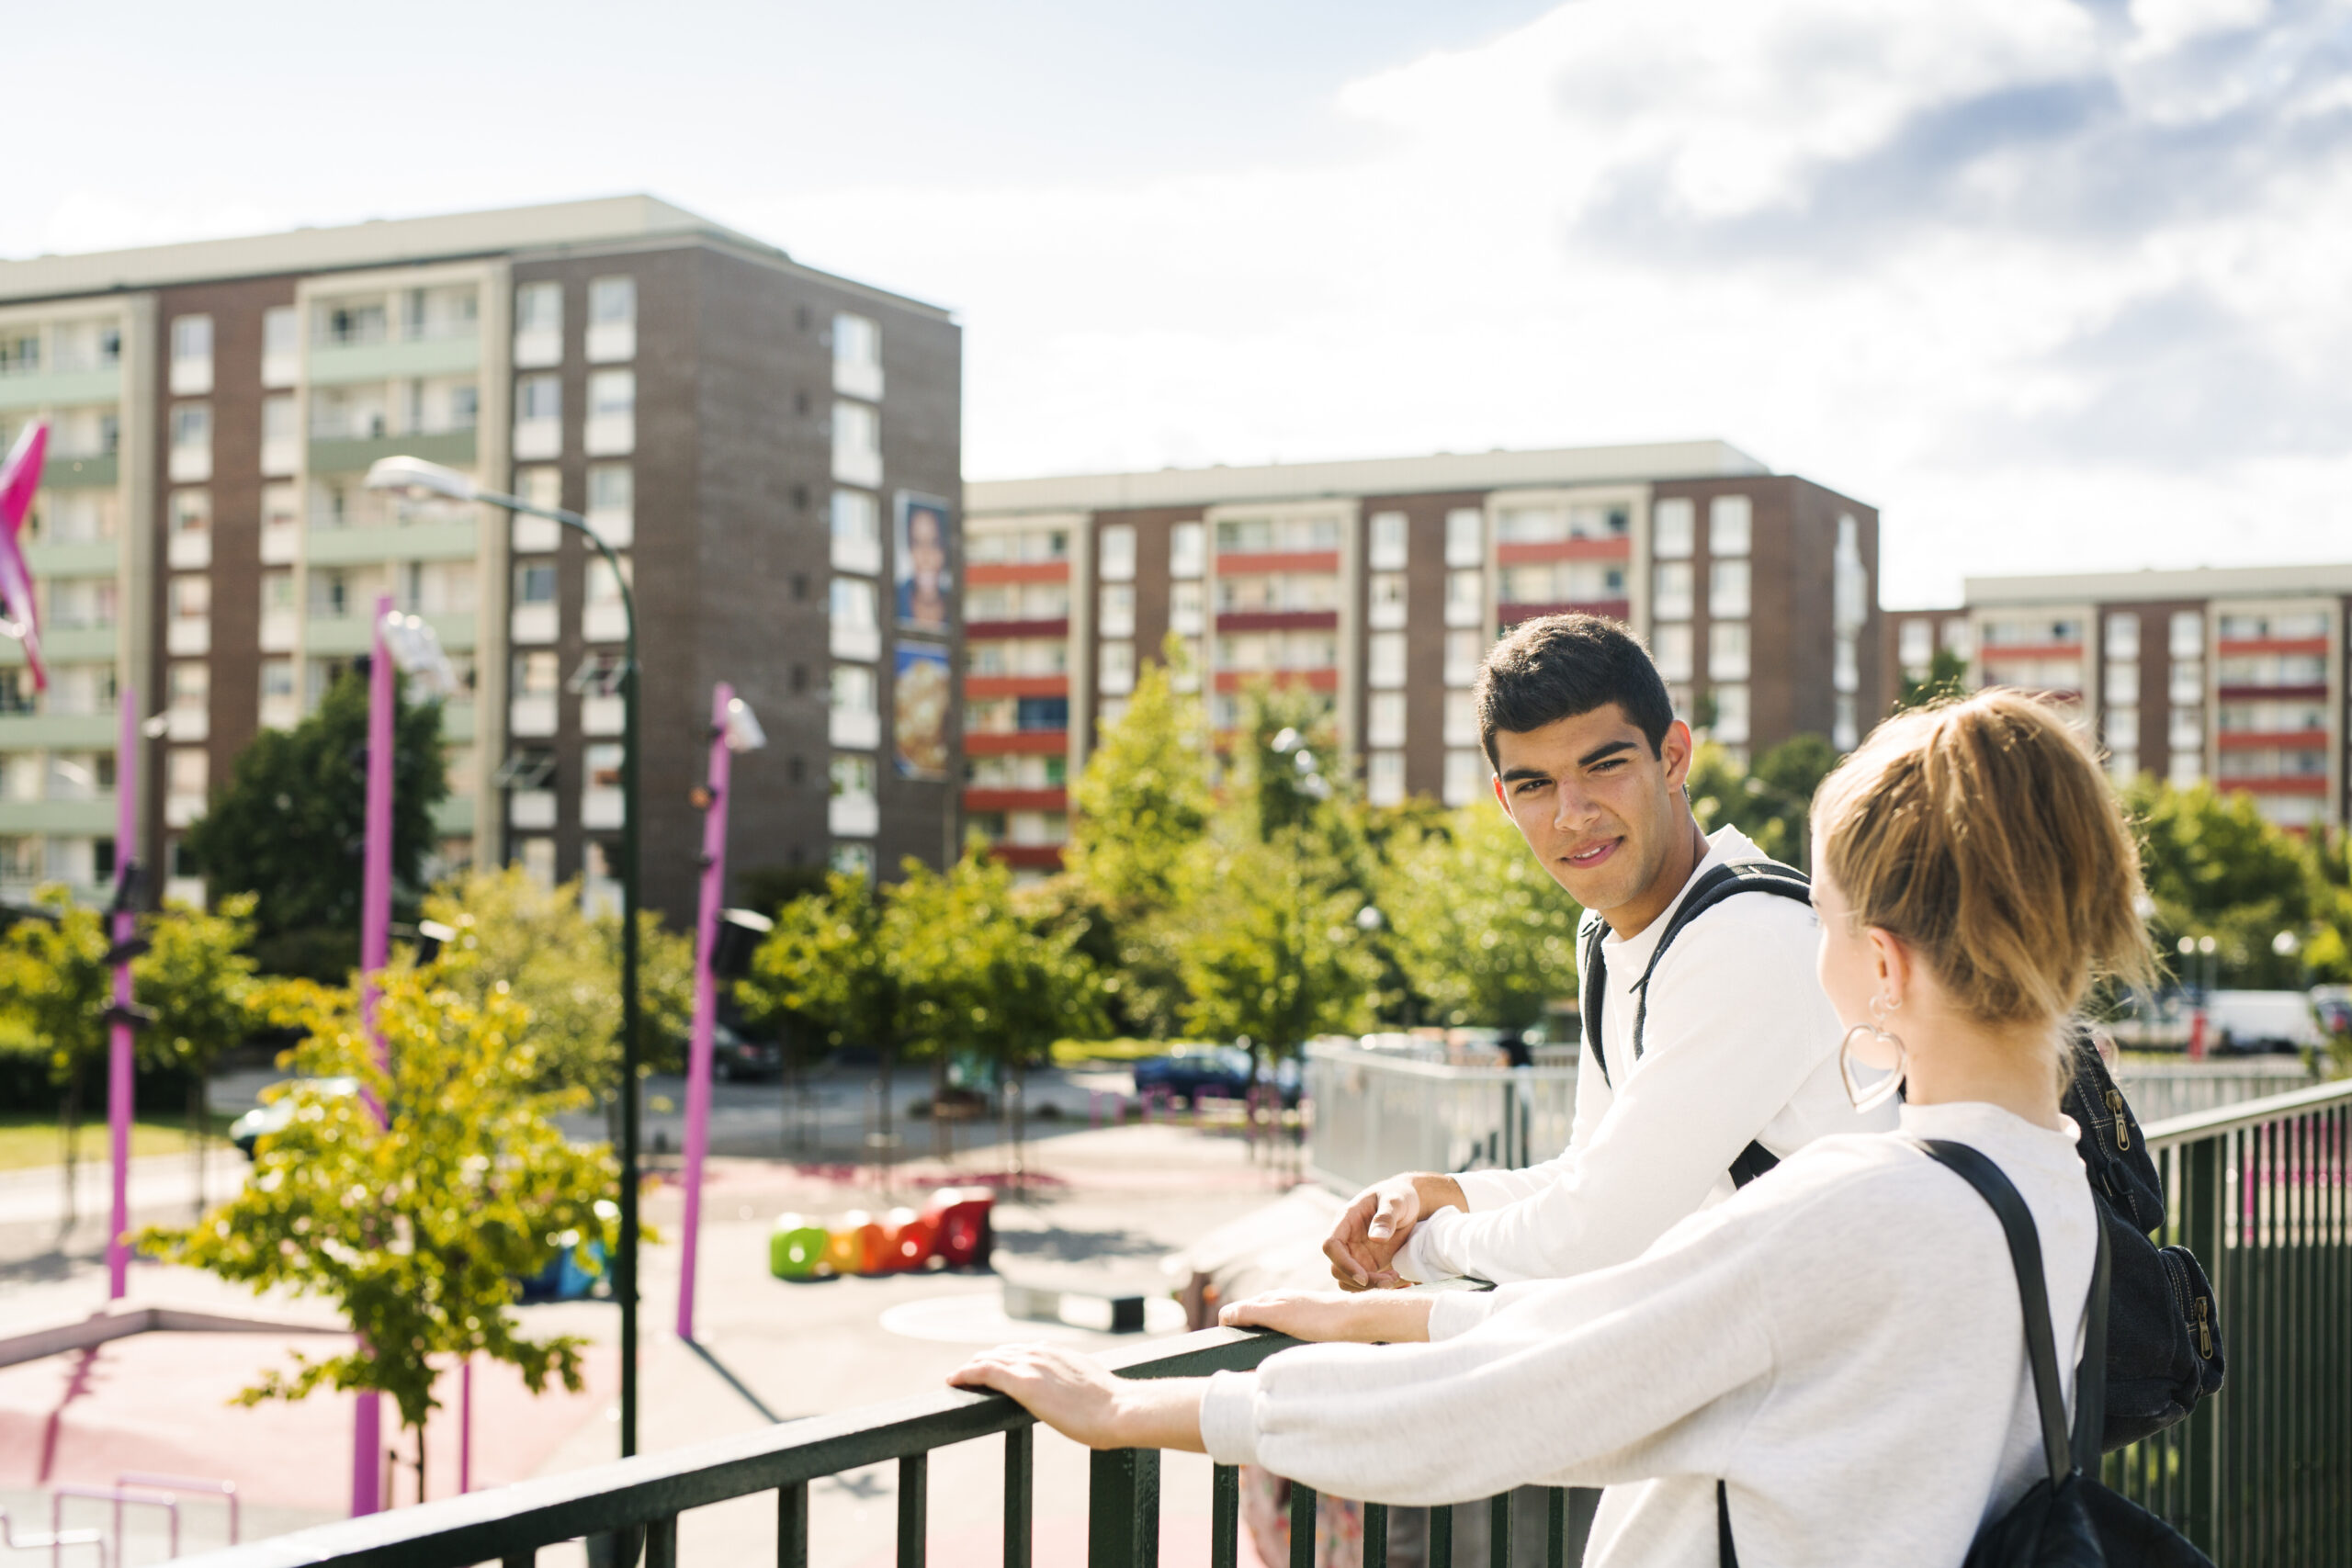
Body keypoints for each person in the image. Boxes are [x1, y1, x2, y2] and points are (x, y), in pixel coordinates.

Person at [953, 689, 2156, 1564]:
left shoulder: (1855, 1205)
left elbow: (1529, 1393)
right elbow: (1672, 1333)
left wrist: (1134, 1410)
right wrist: (1380, 1312)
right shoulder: (2046, 1171)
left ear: (1882, 959)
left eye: (1826, 914)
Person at [1324, 614, 1892, 1292]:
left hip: (1850, 1373)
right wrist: (1432, 1194)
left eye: (1605, 766)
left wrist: (1422, 1250)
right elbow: (1590, 1171)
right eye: (1535, 784)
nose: (1572, 812)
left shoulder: (1748, 939)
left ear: (1674, 757)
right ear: (1505, 800)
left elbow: (1594, 1237)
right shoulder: (1607, 934)